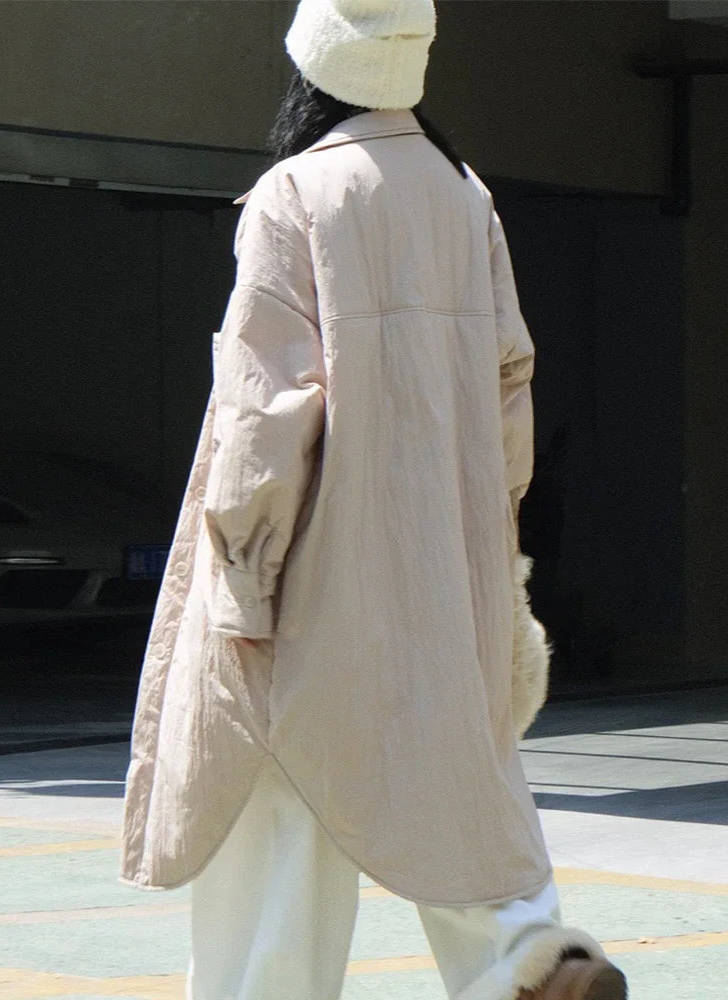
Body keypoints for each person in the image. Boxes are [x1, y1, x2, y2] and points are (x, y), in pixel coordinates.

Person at [120, 2, 628, 998]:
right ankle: (531, 964)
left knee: (276, 831)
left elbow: (264, 415)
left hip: (311, 579)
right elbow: (509, 393)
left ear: (314, 58)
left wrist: (244, 585)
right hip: (444, 573)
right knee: (455, 792)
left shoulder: (296, 193)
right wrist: (486, 545)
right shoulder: (465, 196)